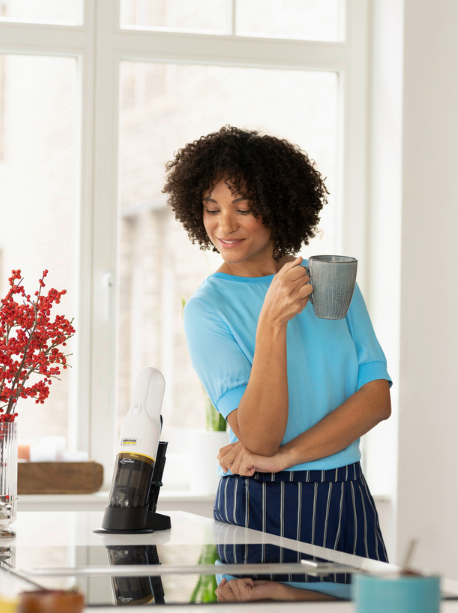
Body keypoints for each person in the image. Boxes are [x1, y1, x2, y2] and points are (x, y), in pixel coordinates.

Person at [166, 125, 392, 566]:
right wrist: (271, 322)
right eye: (211, 209)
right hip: (261, 499)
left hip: (345, 491)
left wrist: (286, 457)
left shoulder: (331, 280)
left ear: (277, 207)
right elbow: (258, 437)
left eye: (244, 208)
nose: (224, 225)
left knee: (357, 612)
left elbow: (376, 401)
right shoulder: (207, 309)